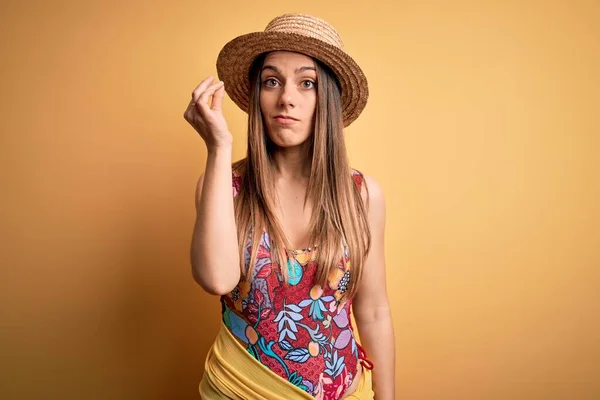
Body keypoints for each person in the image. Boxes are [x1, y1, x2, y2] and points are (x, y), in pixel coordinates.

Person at [184, 13, 395, 400]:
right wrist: (218, 147)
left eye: (307, 83)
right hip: (241, 390)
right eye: (272, 81)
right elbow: (216, 279)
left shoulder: (362, 195)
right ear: (256, 95)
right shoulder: (222, 188)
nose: (287, 98)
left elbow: (375, 310)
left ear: (326, 99)